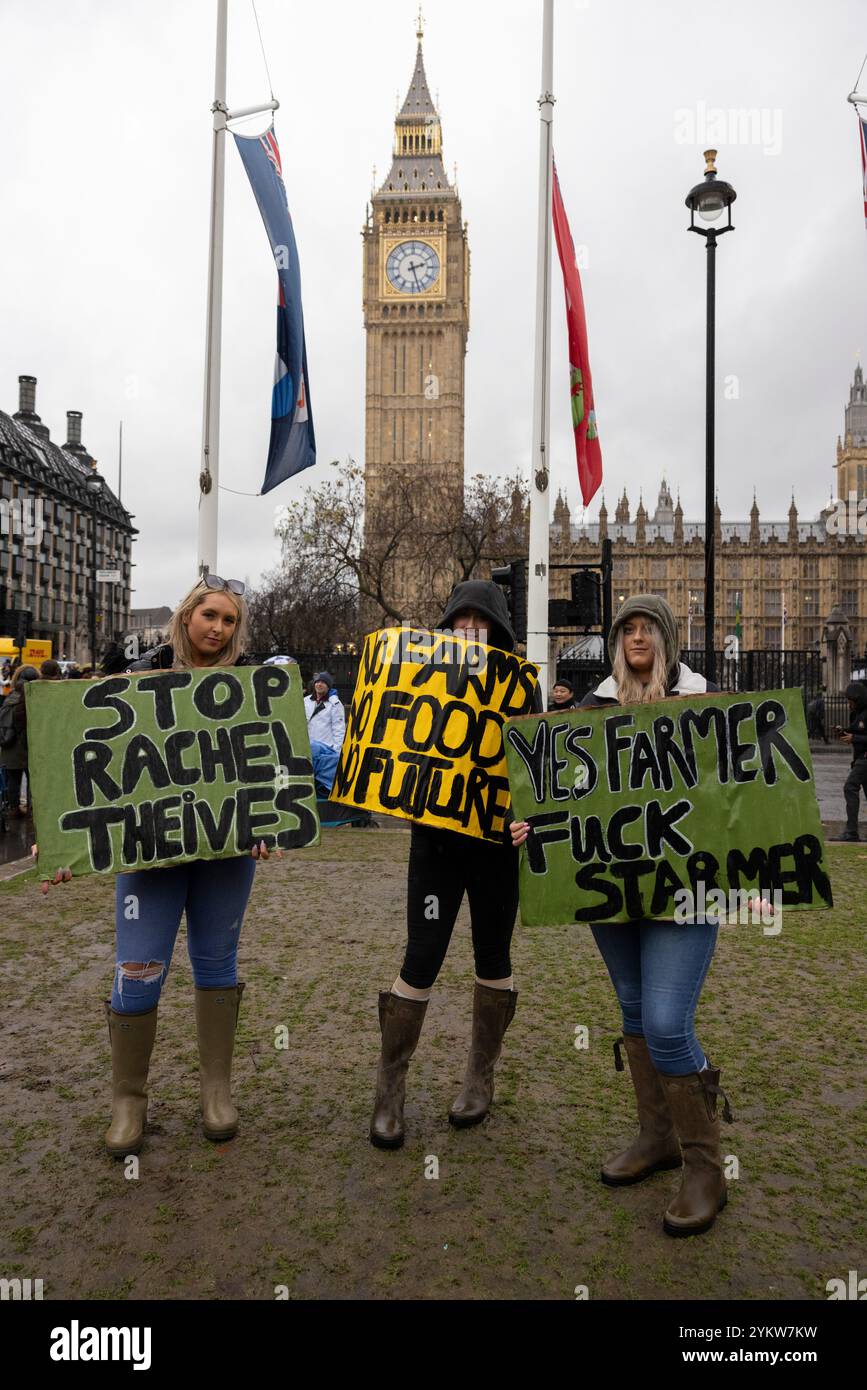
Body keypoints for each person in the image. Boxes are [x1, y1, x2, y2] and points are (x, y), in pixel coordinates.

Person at [511, 595, 733, 1237]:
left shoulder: (702, 701)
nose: (637, 638)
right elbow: (557, 796)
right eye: (627, 629)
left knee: (667, 1022)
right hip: (613, 891)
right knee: (635, 1014)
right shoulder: (591, 710)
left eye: (648, 629)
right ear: (616, 643)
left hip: (684, 890)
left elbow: (738, 796)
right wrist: (533, 827)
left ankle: (706, 1167)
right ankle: (657, 1137)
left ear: (666, 640)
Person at [40, 575, 280, 1158]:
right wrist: (70, 848)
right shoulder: (136, 682)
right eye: (209, 615)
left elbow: (271, 768)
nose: (218, 628)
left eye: (228, 620)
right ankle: (129, 1100)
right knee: (139, 967)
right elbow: (88, 768)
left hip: (225, 852)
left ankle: (215, 1092)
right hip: (149, 856)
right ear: (186, 616)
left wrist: (267, 823)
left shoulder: (251, 689)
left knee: (218, 963)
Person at [369, 580, 538, 1149]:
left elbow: (534, 775)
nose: (469, 631)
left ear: (499, 631)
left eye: (480, 622)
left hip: (495, 850)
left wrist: (528, 818)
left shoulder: (521, 689)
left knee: (493, 955)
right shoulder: (424, 682)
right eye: (459, 622)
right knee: (420, 959)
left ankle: (479, 1079)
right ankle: (389, 1091)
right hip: (436, 848)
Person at [829, 681, 867, 842]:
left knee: (850, 787)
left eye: (851, 701)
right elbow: (855, 731)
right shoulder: (857, 713)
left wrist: (855, 738)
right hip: (859, 758)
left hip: (865, 758)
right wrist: (842, 731)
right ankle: (852, 831)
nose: (849, 704)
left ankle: (851, 831)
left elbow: (858, 735)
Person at [0, 665, 39, 816]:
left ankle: (14, 809)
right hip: (32, 746)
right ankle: (33, 811)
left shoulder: (11, 698)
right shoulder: (37, 699)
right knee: (34, 781)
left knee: (13, 780)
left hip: (11, 746)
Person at [303, 671, 345, 751]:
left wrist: (336, 751)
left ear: (328, 686)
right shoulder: (305, 701)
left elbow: (339, 730)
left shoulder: (335, 704)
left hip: (325, 751)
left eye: (323, 682)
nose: (319, 684)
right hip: (307, 749)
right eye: (317, 682)